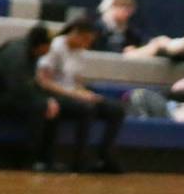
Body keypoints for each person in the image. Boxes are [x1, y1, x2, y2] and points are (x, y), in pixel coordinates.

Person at [36, 19, 125, 173]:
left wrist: (86, 93)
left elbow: (76, 82)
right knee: (87, 109)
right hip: (56, 94)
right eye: (86, 40)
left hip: (73, 94)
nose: (87, 44)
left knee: (116, 109)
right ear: (75, 33)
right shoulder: (56, 47)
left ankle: (104, 157)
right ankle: (79, 160)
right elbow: (44, 81)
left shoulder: (80, 52)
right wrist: (75, 94)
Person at [0, 24, 60, 171]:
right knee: (39, 108)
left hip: (9, 94)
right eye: (49, 46)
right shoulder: (18, 54)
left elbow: (29, 84)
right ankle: (28, 159)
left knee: (50, 106)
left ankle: (45, 158)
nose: (50, 50)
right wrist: (44, 102)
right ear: (41, 45)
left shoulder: (31, 51)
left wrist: (47, 99)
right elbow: (18, 88)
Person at [95, 0, 184, 60]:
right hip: (119, 58)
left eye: (129, 11)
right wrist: (122, 50)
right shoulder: (101, 26)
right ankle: (173, 46)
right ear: (115, 7)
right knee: (157, 44)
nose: (127, 15)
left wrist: (134, 47)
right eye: (124, 10)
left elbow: (141, 40)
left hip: (128, 57)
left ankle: (173, 46)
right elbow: (100, 49)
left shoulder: (126, 28)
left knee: (158, 41)